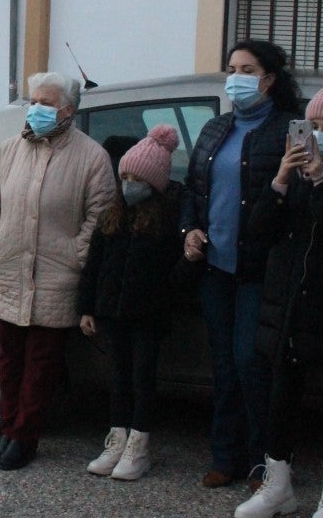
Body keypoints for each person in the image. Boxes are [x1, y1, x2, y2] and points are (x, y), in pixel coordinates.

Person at [233, 57, 323, 518]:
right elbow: (259, 230)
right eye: (315, 124)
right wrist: (282, 179)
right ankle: (277, 484)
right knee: (280, 396)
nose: (320, 134)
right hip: (289, 304)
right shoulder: (297, 172)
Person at [0, 71, 115, 471]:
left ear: (67, 111)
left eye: (46, 103)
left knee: (41, 367)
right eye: (33, 100)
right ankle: (8, 428)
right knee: (8, 361)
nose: (35, 109)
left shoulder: (91, 157)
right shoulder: (10, 149)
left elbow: (99, 217)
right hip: (9, 270)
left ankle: (24, 437)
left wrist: (75, 255)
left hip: (57, 276)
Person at [179, 39, 301, 490]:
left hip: (260, 271)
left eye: (246, 69)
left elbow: (296, 203)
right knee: (224, 366)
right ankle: (225, 458)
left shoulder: (289, 129)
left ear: (268, 79)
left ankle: (264, 462)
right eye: (231, 68)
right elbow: (194, 190)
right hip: (216, 270)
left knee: (253, 366)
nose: (235, 77)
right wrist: (189, 231)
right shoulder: (216, 129)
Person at [78, 124, 183, 481]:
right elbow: (93, 265)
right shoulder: (112, 215)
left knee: (142, 378)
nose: (128, 184)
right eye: (124, 175)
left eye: (136, 177)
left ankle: (139, 445)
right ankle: (117, 438)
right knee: (118, 377)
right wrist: (87, 307)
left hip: (147, 316)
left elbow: (173, 273)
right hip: (112, 313)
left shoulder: (166, 220)